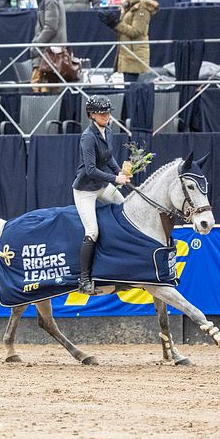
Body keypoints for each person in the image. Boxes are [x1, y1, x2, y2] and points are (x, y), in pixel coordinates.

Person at [72, 95, 130, 295]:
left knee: (126, 210)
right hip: (86, 190)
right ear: (92, 115)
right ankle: (84, 280)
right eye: (102, 113)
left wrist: (118, 172)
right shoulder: (88, 137)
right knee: (92, 232)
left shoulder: (108, 131)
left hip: (103, 185)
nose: (107, 115)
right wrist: (115, 180)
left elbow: (109, 157)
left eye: (108, 112)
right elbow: (90, 170)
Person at [111, 0, 159, 83]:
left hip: (135, 54)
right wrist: (112, 24)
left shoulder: (142, 6)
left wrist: (117, 24)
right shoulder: (130, 6)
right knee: (129, 90)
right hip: (127, 53)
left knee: (132, 90)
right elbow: (123, 29)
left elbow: (136, 31)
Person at [31, 0, 67, 90]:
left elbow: (51, 28)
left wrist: (36, 45)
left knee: (43, 89)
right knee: (50, 89)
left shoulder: (50, 0)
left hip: (48, 55)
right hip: (50, 53)